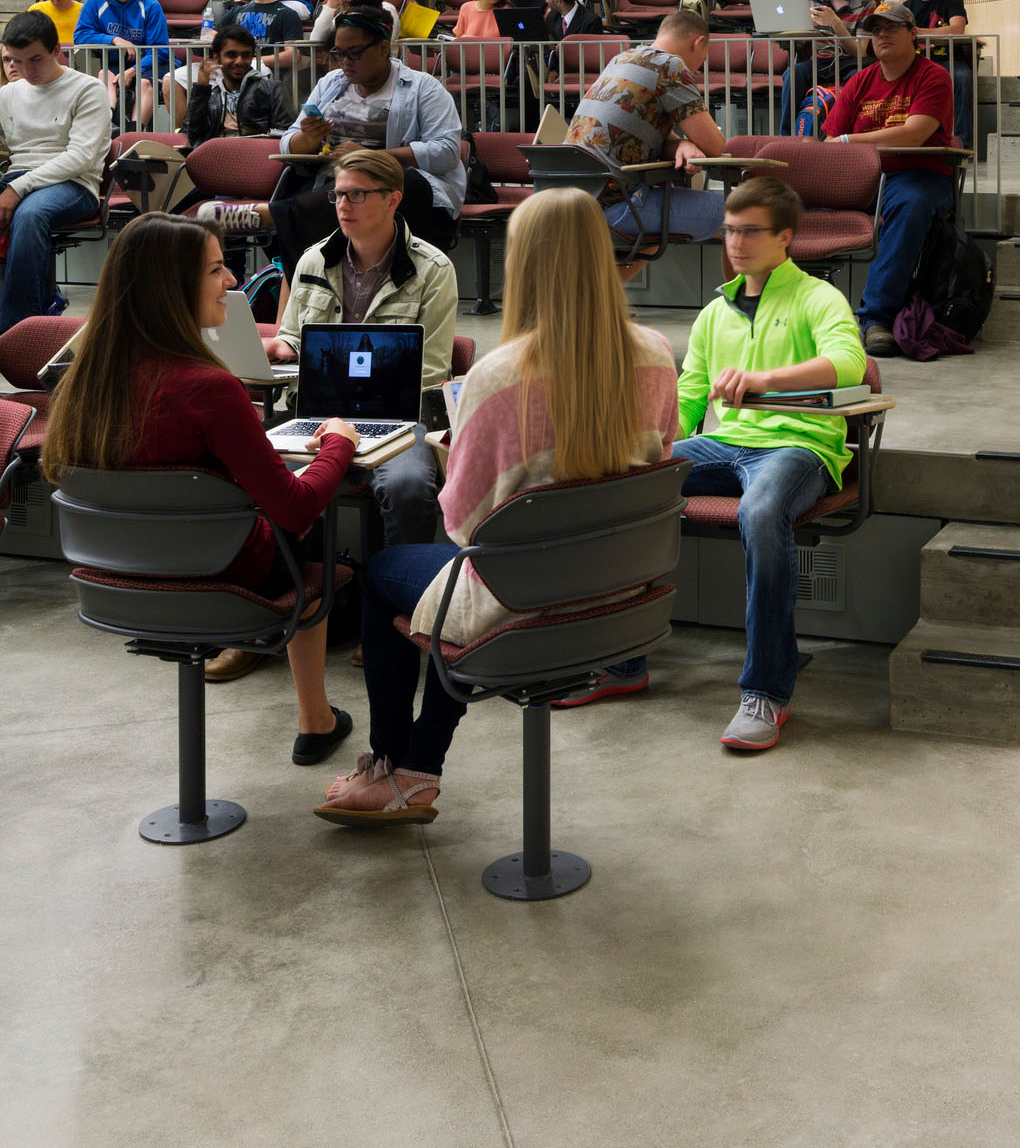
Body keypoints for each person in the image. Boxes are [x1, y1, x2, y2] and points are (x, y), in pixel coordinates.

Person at [313, 187, 676, 824]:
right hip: (618, 595)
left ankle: (394, 763)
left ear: (524, 263)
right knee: (469, 575)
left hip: (521, 599)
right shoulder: (655, 355)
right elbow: (653, 463)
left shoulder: (501, 375)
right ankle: (410, 772)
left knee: (386, 574)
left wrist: (455, 455)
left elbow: (462, 526)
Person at [40, 214, 357, 762]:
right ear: (173, 287)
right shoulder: (210, 389)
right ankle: (314, 718)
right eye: (216, 269)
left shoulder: (83, 383)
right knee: (312, 529)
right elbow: (294, 507)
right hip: (218, 580)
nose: (233, 282)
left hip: (116, 577)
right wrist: (339, 445)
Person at [674, 175, 868, 752]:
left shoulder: (816, 297)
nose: (736, 241)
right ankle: (622, 659)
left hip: (800, 446)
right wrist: (655, 445)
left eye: (750, 231)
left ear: (785, 237)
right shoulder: (715, 311)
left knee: (759, 513)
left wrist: (764, 380)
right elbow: (690, 392)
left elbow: (849, 363)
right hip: (727, 444)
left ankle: (767, 692)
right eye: (730, 230)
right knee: (629, 483)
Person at [260, 147, 458, 558]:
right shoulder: (313, 259)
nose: (342, 205)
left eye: (357, 195)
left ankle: (402, 592)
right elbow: (294, 338)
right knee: (269, 479)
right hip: (314, 416)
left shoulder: (434, 270)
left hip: (400, 418)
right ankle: (310, 589)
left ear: (393, 199)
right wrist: (278, 348)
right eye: (338, 195)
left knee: (407, 485)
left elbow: (430, 370)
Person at [266, 6, 464, 279]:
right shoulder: (331, 83)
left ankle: (272, 216)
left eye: (355, 53)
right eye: (338, 53)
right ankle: (300, 287)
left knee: (349, 194)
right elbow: (289, 143)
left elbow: (447, 152)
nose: (345, 62)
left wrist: (374, 157)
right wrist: (308, 139)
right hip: (333, 182)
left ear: (384, 48)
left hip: (402, 186)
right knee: (336, 195)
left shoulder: (423, 88)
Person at [821, 1, 958, 354]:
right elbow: (828, 140)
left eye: (892, 27)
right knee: (793, 200)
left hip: (919, 175)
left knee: (910, 205)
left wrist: (850, 141)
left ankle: (876, 319)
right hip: (863, 177)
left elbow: (914, 134)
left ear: (914, 34)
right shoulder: (859, 81)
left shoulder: (934, 76)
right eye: (876, 29)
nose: (882, 35)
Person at [566, 3, 726, 242]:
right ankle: (744, 282)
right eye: (701, 60)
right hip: (616, 206)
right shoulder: (669, 65)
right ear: (697, 43)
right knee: (746, 213)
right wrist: (688, 142)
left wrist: (680, 144)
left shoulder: (621, 59)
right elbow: (715, 146)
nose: (697, 69)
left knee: (654, 240)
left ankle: (610, 283)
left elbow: (638, 130)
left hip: (568, 203)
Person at [0, 10, 109, 331]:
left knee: (30, 214)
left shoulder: (88, 89)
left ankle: (17, 330)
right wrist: (15, 187)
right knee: (26, 208)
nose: (24, 70)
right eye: (15, 61)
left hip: (74, 184)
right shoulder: (7, 94)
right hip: (17, 180)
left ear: (56, 50)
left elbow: (81, 157)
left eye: (34, 59)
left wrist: (17, 189)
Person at [783, 0, 875, 129]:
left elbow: (860, 52)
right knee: (793, 74)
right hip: (817, 59)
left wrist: (836, 23)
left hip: (849, 61)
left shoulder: (867, 1)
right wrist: (805, 31)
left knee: (860, 76)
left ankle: (850, 132)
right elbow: (798, 46)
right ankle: (786, 136)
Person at [73, 0, 170, 126]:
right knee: (104, 75)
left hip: (148, 63)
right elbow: (80, 35)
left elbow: (160, 50)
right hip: (111, 61)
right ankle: (108, 124)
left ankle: (134, 131)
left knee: (144, 83)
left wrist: (133, 71)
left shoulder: (151, 5)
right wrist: (113, 39)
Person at [906, 0, 974, 147]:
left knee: (963, 78)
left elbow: (957, 29)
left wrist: (919, 31)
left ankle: (963, 142)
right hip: (918, 63)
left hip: (948, 60)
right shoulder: (908, 5)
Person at [184, 23, 285, 146]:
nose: (239, 61)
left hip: (256, 158)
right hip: (216, 158)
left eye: (245, 55)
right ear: (216, 57)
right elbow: (194, 136)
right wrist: (201, 89)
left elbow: (283, 134)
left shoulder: (272, 90)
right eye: (231, 55)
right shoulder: (210, 95)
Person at [224, 0, 304, 79]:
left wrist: (253, 60)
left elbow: (293, 55)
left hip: (265, 71)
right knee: (184, 73)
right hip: (234, 65)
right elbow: (211, 34)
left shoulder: (287, 14)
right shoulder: (237, 11)